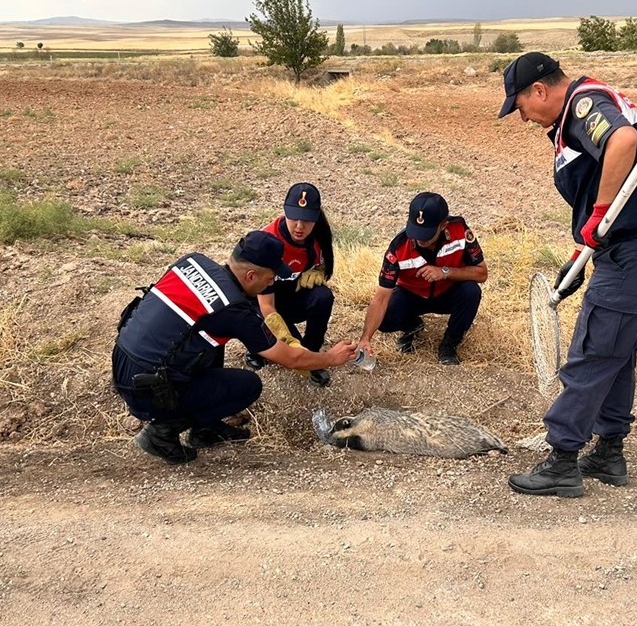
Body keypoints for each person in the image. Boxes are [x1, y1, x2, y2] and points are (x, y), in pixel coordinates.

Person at [498, 52, 637, 498]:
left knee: (592, 351)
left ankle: (562, 459)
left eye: (521, 106)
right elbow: (601, 192)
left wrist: (600, 216)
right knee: (616, 352)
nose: (523, 118)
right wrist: (584, 247)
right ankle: (609, 452)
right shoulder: (577, 114)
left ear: (539, 90)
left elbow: (622, 143)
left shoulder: (584, 105)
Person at [112, 231, 357, 465]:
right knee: (248, 386)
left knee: (211, 337)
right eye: (270, 278)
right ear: (251, 275)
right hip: (150, 391)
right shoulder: (234, 310)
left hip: (125, 365)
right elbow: (291, 359)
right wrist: (331, 358)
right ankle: (162, 433)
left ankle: (206, 429)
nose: (271, 282)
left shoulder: (192, 262)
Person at [357, 191, 488, 365]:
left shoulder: (460, 231)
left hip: (447, 292)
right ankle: (413, 326)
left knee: (471, 292)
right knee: (386, 318)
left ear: (443, 225)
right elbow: (380, 298)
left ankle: (449, 344)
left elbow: (482, 273)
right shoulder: (397, 248)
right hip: (412, 295)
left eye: (426, 233)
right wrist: (365, 338)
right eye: (415, 230)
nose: (419, 238)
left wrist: (445, 271)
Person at [245, 182, 337, 387]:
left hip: (290, 297)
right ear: (285, 211)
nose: (299, 226)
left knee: (323, 296)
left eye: (307, 220)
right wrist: (287, 341)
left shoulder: (317, 239)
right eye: (294, 217)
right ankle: (260, 348)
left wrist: (319, 270)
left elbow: (324, 267)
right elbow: (266, 304)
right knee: (281, 343)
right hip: (263, 302)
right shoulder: (268, 242)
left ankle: (312, 354)